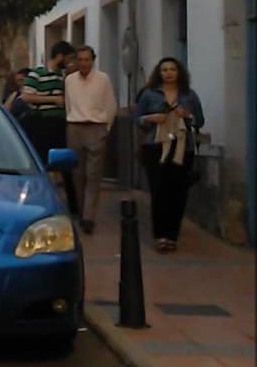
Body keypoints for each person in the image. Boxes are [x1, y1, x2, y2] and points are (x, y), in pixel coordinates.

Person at [134, 57, 205, 253]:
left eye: (172, 69)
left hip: (183, 148)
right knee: (159, 192)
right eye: (164, 69)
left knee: (178, 193)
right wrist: (150, 118)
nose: (168, 73)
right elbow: (137, 119)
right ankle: (160, 236)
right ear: (159, 73)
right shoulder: (149, 95)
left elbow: (199, 120)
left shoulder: (189, 95)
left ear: (179, 72)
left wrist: (188, 116)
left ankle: (172, 235)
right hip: (155, 147)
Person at [65, 46, 117, 234]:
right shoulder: (70, 80)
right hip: (75, 127)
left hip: (96, 127)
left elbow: (110, 105)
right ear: (76, 61)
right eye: (80, 59)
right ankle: (81, 210)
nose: (84, 63)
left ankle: (88, 216)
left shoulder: (103, 79)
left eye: (87, 59)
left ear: (93, 60)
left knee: (93, 174)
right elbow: (68, 104)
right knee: (77, 174)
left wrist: (105, 128)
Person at [20, 41, 78, 214]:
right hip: (43, 124)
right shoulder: (37, 73)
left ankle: (73, 206)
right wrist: (52, 100)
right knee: (43, 164)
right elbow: (26, 97)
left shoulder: (62, 76)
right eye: (68, 58)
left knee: (65, 164)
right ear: (60, 55)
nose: (69, 62)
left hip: (61, 124)